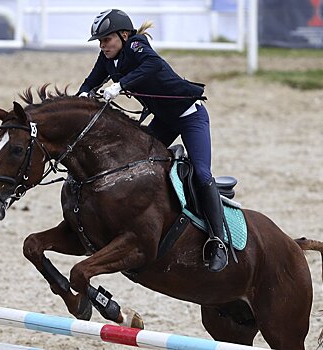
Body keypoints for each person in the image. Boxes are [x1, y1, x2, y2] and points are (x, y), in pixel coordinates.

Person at [76, 9, 228, 272]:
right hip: (164, 120)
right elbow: (91, 80)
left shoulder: (136, 45)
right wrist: (81, 95)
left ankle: (218, 240)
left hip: (190, 117)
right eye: (99, 41)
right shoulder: (107, 58)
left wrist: (119, 86)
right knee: (136, 160)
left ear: (123, 35)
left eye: (106, 39)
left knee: (202, 174)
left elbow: (153, 66)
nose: (102, 45)